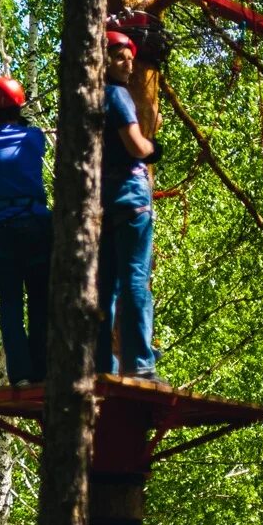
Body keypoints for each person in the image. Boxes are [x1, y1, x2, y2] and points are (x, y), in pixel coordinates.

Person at [0, 76, 52, 387]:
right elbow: (30, 133)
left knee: (10, 306)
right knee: (40, 302)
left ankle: (21, 374)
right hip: (37, 227)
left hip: (3, 230)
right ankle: (43, 370)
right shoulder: (33, 138)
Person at [96, 31, 166, 383]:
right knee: (136, 280)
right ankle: (140, 362)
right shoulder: (118, 95)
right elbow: (137, 146)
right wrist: (155, 148)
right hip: (131, 197)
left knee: (106, 284)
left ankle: (101, 363)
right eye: (120, 56)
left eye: (130, 57)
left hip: (104, 199)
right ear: (103, 59)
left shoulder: (88, 99)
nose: (129, 64)